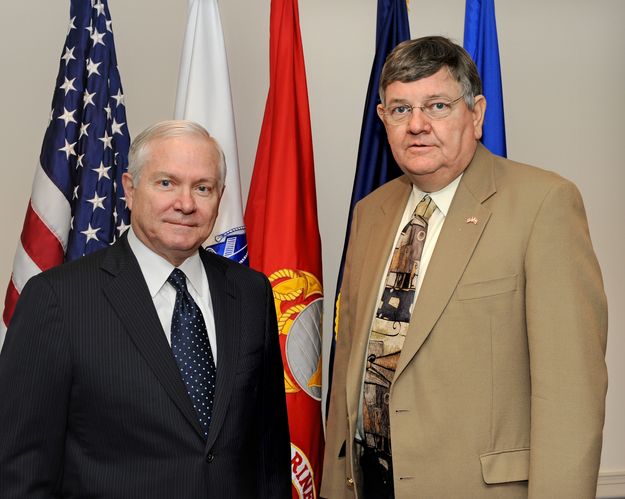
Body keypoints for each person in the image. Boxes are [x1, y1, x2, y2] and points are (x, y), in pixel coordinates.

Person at [322, 36, 607, 499]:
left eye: (436, 106)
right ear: (382, 120)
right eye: (399, 110)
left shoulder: (543, 204)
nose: (417, 125)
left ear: (475, 114)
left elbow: (571, 393)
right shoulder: (370, 214)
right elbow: (350, 374)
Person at [0, 120, 291, 498]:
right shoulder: (57, 299)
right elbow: (19, 470)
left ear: (220, 198)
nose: (185, 204)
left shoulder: (251, 293)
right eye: (166, 183)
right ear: (130, 190)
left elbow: (268, 456)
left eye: (202, 188)